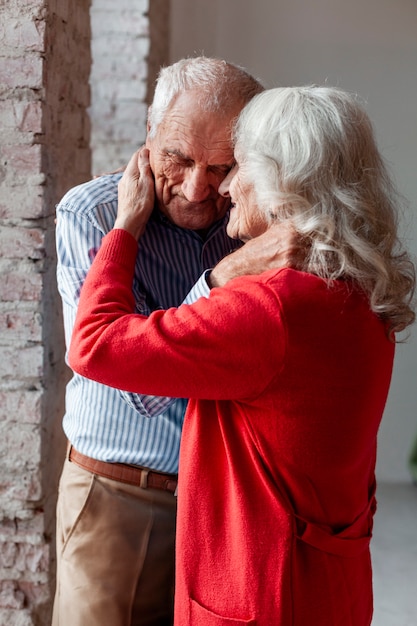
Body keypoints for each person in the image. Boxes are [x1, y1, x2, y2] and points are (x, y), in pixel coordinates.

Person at [68, 85, 415, 625]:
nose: (222, 187)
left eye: (236, 166)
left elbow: (94, 345)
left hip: (264, 589)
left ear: (282, 181)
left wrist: (126, 231)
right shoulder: (358, 287)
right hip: (329, 578)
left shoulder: (271, 308)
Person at [53, 56, 265, 626]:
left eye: (223, 167)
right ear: (149, 134)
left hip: (224, 500)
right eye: (180, 158)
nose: (199, 188)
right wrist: (226, 279)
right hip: (123, 496)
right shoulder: (92, 215)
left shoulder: (250, 219)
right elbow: (135, 379)